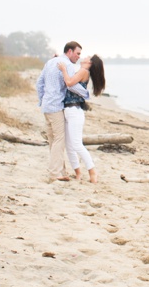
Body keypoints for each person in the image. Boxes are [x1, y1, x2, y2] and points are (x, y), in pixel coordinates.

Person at [35, 41, 84, 181]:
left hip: (46, 106)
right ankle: (54, 174)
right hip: (56, 106)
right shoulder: (67, 65)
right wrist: (85, 93)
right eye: (77, 53)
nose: (79, 57)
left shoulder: (50, 62)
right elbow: (71, 85)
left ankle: (60, 171)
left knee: (53, 140)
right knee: (59, 140)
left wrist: (41, 100)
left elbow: (39, 83)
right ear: (69, 51)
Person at [58, 54, 106, 183]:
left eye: (87, 58)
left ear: (90, 63)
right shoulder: (80, 71)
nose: (84, 58)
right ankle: (78, 172)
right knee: (69, 145)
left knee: (77, 145)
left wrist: (63, 69)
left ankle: (92, 171)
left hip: (74, 111)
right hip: (69, 110)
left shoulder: (84, 71)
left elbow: (68, 82)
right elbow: (70, 78)